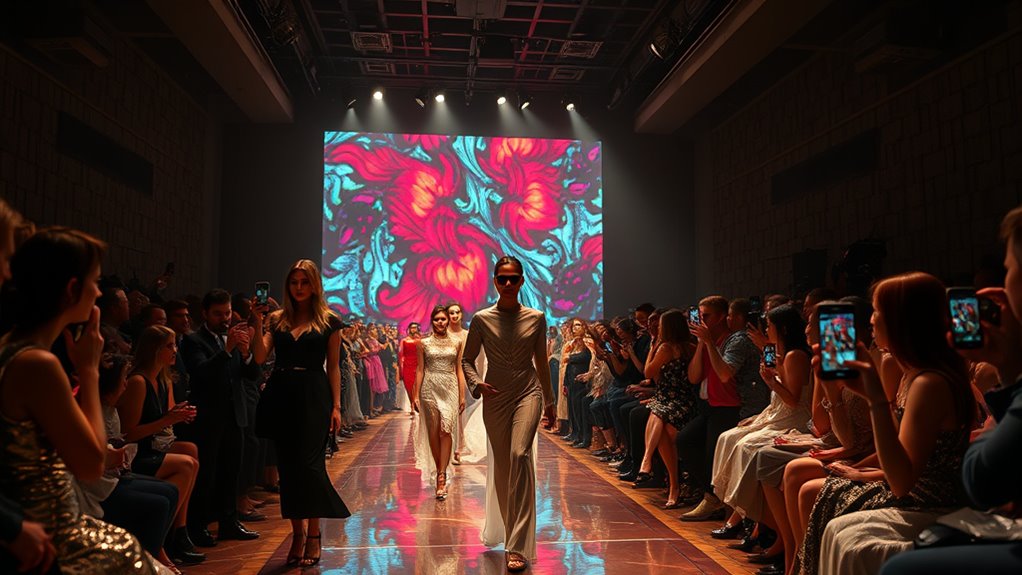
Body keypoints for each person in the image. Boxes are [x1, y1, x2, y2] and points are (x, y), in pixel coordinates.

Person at [0, 226, 166, 573]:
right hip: (54, 535)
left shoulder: (14, 349)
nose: (98, 292)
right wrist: (89, 372)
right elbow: (91, 465)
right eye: (95, 282)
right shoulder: (37, 364)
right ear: (72, 290)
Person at [251, 259, 350, 568]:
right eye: (294, 282)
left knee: (311, 466)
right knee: (289, 468)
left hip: (314, 395)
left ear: (315, 285)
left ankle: (315, 533)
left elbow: (333, 367)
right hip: (281, 394)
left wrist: (336, 406)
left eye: (305, 282)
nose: (298, 288)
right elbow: (259, 357)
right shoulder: (276, 319)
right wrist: (256, 321)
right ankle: (297, 533)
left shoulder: (329, 321)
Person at [461, 256, 556, 573]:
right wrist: (476, 383)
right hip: (495, 397)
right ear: (494, 281)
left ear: (522, 281)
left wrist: (551, 402)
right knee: (503, 469)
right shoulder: (481, 319)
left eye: (513, 278)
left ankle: (517, 545)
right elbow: (467, 359)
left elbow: (541, 362)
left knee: (519, 455)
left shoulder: (536, 318)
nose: (508, 284)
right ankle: (510, 534)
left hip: (529, 392)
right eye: (502, 278)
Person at [0, 199, 57, 575]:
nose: (7, 272)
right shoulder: (31, 359)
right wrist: (11, 525)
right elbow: (88, 461)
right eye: (5, 257)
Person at [180, 289, 261, 546]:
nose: (225, 318)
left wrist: (246, 354)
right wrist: (227, 350)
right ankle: (199, 526)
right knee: (207, 475)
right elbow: (201, 373)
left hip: (235, 414)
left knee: (231, 471)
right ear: (205, 313)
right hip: (209, 418)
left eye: (227, 313)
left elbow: (252, 375)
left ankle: (229, 522)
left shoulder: (232, 338)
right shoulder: (193, 340)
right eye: (218, 314)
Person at [117, 325, 203, 564]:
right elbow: (128, 434)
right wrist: (169, 419)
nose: (175, 350)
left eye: (174, 344)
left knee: (190, 450)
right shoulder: (138, 382)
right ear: (154, 349)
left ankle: (179, 531)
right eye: (169, 346)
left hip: (153, 446)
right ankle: (159, 540)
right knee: (186, 464)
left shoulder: (163, 378)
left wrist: (180, 414)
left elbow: (166, 416)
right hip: (136, 453)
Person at [412, 305, 466, 499]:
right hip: (429, 387)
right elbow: (420, 370)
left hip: (450, 386)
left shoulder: (457, 342)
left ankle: (441, 475)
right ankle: (439, 472)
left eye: (443, 319)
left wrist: (462, 395)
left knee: (447, 429)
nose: (441, 322)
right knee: (434, 432)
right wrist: (415, 395)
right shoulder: (423, 343)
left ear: (448, 320)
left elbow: (459, 369)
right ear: (432, 321)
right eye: (437, 319)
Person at [399, 322, 421, 418]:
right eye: (412, 327)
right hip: (407, 365)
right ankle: (412, 405)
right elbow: (401, 354)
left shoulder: (420, 340)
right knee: (409, 386)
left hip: (418, 365)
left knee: (417, 385)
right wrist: (401, 367)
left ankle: (416, 405)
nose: (413, 329)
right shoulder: (404, 340)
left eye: (415, 328)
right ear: (409, 329)